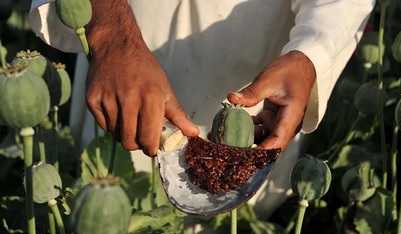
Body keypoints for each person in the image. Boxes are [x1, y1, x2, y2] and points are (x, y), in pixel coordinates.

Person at [29, 0, 375, 219]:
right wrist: (110, 31)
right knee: (109, 206)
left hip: (258, 94)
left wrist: (311, 55)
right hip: (119, 72)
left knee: (241, 220)